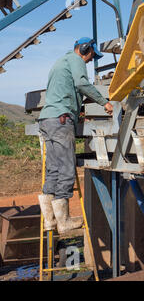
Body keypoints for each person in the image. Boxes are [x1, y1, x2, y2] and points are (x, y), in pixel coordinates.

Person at [38, 37, 114, 234]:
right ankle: (64, 222)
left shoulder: (60, 62)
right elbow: (81, 83)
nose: (90, 60)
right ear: (84, 49)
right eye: (91, 55)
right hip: (61, 120)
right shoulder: (76, 60)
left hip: (48, 119)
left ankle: (50, 221)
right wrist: (103, 101)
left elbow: (66, 89)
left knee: (53, 168)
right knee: (66, 167)